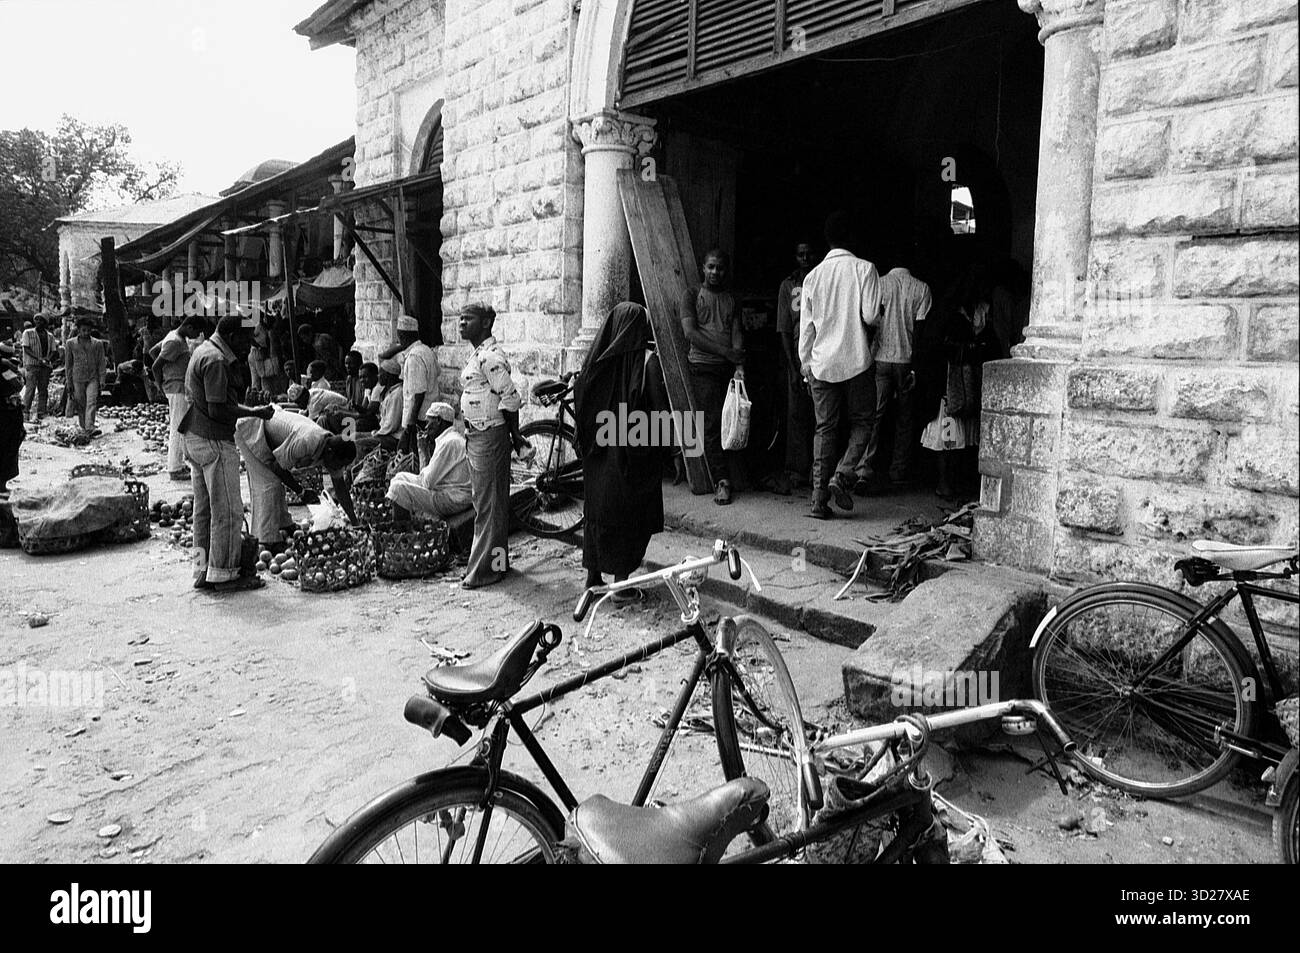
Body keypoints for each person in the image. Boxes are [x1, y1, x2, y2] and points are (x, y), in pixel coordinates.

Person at [574, 302, 668, 603]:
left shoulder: (595, 363)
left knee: (597, 514)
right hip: (631, 455)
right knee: (630, 518)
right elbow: (659, 411)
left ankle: (593, 579)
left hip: (598, 456)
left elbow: (581, 401)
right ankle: (620, 585)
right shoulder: (647, 362)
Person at [178, 314, 275, 593]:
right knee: (229, 511)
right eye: (246, 341)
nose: (249, 348)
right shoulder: (217, 360)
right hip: (213, 440)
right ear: (232, 337)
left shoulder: (203, 350)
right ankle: (224, 575)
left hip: (194, 437)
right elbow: (218, 408)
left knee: (203, 510)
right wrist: (253, 412)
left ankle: (201, 570)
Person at [798, 211, 882, 520]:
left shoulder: (812, 276)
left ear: (828, 240)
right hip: (856, 360)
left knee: (825, 428)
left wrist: (805, 364)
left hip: (821, 363)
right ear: (853, 238)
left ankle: (818, 501)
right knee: (863, 422)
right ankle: (843, 475)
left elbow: (807, 327)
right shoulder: (865, 269)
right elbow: (872, 316)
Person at [458, 303, 528, 589]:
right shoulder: (478, 354)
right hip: (478, 436)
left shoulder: (489, 356)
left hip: (490, 437)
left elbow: (510, 397)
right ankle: (498, 565)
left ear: (486, 322)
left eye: (468, 318)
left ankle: (484, 571)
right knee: (490, 503)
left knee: (490, 505)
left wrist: (515, 436)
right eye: (460, 318)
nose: (461, 323)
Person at [918, 268, 998, 500]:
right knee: (950, 439)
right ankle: (945, 482)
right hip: (950, 390)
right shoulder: (949, 315)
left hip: (963, 387)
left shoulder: (971, 311)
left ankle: (952, 481)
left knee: (957, 439)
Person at [854, 260, 932, 492]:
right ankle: (898, 469)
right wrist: (916, 367)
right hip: (906, 360)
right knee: (905, 419)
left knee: (874, 416)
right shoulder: (922, 288)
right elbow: (920, 333)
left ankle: (864, 470)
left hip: (880, 357)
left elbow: (867, 321)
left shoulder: (879, 284)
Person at [235, 408, 358, 554]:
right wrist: (301, 491)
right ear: (331, 453)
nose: (340, 468)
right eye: (341, 464)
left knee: (275, 482)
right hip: (252, 430)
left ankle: (283, 523)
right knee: (269, 484)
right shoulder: (306, 441)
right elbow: (278, 467)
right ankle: (266, 539)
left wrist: (355, 523)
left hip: (270, 436)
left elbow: (341, 489)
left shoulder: (332, 449)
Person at [680, 248, 744, 505]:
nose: (715, 272)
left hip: (727, 370)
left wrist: (738, 364)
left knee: (733, 422)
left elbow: (737, 331)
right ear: (702, 268)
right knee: (711, 425)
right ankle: (722, 481)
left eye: (720, 268)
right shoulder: (692, 294)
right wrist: (726, 352)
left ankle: (737, 475)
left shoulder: (731, 298)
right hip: (703, 368)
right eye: (711, 267)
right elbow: (690, 333)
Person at [386, 402, 472, 521]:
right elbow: (426, 478)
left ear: (438, 421)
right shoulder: (449, 438)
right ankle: (409, 520)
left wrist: (422, 450)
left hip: (454, 498)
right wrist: (424, 451)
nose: (426, 427)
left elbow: (426, 482)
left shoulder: (449, 442)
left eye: (428, 422)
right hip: (450, 492)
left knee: (398, 489)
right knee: (399, 477)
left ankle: (403, 532)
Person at [776, 243, 815, 492]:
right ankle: (797, 469)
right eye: (800, 254)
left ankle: (817, 470)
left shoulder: (822, 280)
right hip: (797, 356)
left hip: (820, 356)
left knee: (820, 415)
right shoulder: (788, 286)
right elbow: (784, 328)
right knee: (796, 414)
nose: (804, 259)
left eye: (808, 254)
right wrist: (792, 367)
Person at [379, 314, 440, 460]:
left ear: (401, 336)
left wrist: (411, 421)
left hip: (419, 417)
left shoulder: (414, 357)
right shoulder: (426, 351)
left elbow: (418, 393)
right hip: (428, 413)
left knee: (415, 457)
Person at [152, 316, 206, 480]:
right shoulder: (174, 341)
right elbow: (156, 365)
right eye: (195, 332)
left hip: (178, 386)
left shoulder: (173, 336)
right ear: (189, 327)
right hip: (176, 388)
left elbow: (153, 351)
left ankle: (179, 463)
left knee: (180, 426)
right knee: (178, 427)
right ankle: (175, 468)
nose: (195, 335)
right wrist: (160, 384)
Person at [64, 316, 108, 436]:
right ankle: (84, 426)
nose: (86, 333)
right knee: (81, 403)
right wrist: (69, 382)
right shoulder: (70, 344)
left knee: (91, 401)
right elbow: (68, 365)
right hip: (77, 378)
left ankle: (90, 427)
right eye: (83, 330)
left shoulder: (97, 344)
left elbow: (101, 362)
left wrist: (102, 379)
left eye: (88, 330)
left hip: (93, 378)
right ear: (78, 330)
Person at [353, 357, 404, 456]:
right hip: (385, 433)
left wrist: (375, 433)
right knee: (353, 437)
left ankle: (358, 470)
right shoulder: (389, 392)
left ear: (388, 376)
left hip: (393, 438)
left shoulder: (397, 395)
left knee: (358, 443)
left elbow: (391, 426)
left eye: (380, 373)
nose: (378, 376)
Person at [20, 314, 56, 422]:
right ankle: (25, 413)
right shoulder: (28, 333)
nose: (39, 322)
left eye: (42, 320)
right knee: (30, 389)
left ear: (45, 323)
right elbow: (26, 348)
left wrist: (47, 359)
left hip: (45, 366)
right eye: (37, 320)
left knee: (43, 390)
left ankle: (41, 412)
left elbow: (53, 350)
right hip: (32, 365)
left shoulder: (50, 336)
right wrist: (38, 358)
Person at [0, 346, 24, 498]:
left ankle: (2, 484)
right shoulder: (5, 369)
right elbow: (18, 385)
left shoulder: (7, 369)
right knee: (6, 448)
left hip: (9, 412)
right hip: (5, 413)